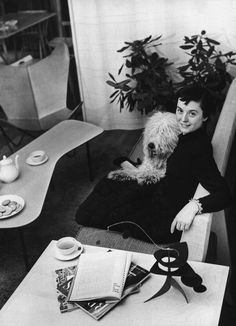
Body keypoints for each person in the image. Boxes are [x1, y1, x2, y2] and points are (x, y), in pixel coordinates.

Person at [75, 86, 232, 244]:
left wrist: (193, 206)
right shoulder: (189, 138)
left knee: (85, 213)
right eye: (179, 110)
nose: (183, 119)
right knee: (110, 185)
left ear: (204, 117)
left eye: (192, 113)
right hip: (159, 194)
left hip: (160, 222)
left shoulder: (199, 149)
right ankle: (134, 169)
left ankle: (133, 170)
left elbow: (224, 195)